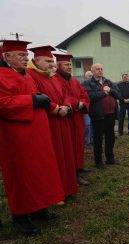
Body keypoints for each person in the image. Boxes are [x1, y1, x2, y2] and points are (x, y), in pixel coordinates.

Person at [0, 40, 64, 234]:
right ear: (6, 57)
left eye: (25, 54)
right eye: (20, 55)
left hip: (37, 135)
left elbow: (39, 97)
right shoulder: (2, 76)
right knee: (21, 176)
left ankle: (39, 209)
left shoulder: (26, 75)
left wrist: (52, 106)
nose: (25, 58)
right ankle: (20, 217)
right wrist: (32, 100)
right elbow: (3, 104)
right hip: (17, 138)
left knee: (39, 172)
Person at [27, 45, 78, 200]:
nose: (52, 64)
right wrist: (56, 109)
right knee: (54, 158)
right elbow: (37, 97)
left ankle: (68, 189)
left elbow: (66, 95)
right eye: (48, 61)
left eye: (52, 61)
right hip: (49, 123)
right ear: (36, 60)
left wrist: (67, 106)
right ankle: (57, 192)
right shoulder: (31, 76)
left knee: (66, 156)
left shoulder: (53, 76)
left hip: (63, 121)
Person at [54, 53, 91, 186]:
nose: (70, 67)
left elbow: (84, 94)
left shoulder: (74, 80)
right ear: (58, 65)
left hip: (78, 117)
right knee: (69, 147)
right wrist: (77, 104)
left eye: (70, 64)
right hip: (67, 119)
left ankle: (79, 167)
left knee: (79, 143)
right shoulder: (55, 80)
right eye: (66, 65)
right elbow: (64, 97)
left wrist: (82, 103)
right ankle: (73, 174)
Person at [84, 63, 121, 169]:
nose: (100, 70)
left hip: (111, 114)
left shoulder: (108, 81)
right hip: (98, 115)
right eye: (97, 69)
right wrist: (103, 93)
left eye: (101, 69)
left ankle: (110, 158)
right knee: (98, 138)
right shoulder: (88, 83)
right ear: (92, 71)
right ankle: (98, 161)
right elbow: (89, 97)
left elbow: (118, 94)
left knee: (111, 137)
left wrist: (110, 90)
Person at [83, 71, 93, 144]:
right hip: (86, 108)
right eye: (89, 76)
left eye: (91, 76)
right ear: (85, 77)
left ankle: (92, 139)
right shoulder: (82, 85)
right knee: (87, 124)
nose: (91, 77)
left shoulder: (95, 85)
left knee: (93, 124)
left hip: (94, 107)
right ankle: (86, 140)